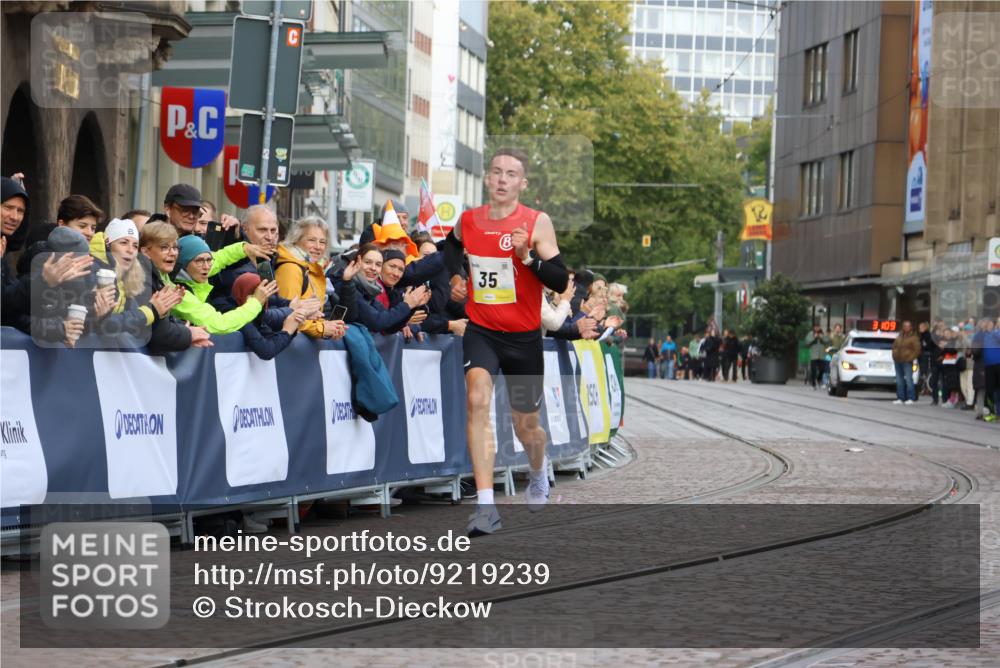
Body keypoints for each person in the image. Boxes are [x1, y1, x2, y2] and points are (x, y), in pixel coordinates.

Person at [441, 148, 570, 536]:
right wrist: (456, 277)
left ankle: (538, 470)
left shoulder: (536, 221)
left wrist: (527, 257)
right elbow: (450, 247)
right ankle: (486, 507)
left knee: (525, 427)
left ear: (522, 183)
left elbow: (560, 279)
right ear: (487, 178)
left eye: (511, 174)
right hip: (482, 330)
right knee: (477, 399)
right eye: (496, 172)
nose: (501, 179)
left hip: (524, 339)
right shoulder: (469, 220)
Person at [171, 234, 274, 334]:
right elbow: (219, 324)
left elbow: (221, 257)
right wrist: (256, 301)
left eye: (209, 259)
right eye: (199, 261)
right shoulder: (179, 293)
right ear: (183, 265)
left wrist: (245, 248)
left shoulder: (196, 270)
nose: (206, 267)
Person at [138, 223, 211, 350]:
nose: (173, 253)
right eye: (164, 247)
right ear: (145, 252)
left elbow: (161, 323)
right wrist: (187, 334)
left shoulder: (157, 277)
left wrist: (182, 328)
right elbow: (155, 334)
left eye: (175, 247)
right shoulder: (140, 279)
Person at [274, 216, 347, 340]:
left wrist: (329, 327)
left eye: (322, 242)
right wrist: (322, 328)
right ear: (296, 240)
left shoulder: (312, 268)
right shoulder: (291, 268)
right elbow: (287, 317)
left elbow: (311, 318)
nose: (318, 246)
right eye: (312, 240)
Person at [231, 273, 311, 359]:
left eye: (264, 295)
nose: (260, 300)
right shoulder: (240, 317)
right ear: (241, 295)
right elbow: (266, 351)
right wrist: (287, 331)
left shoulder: (258, 315)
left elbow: (271, 338)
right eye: (254, 296)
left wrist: (292, 323)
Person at [890, 320, 921, 405]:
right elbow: (894, 346)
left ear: (910, 327)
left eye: (908, 326)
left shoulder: (914, 337)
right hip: (898, 360)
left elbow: (917, 350)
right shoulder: (899, 336)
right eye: (904, 326)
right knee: (899, 380)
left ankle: (911, 398)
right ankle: (900, 398)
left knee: (909, 380)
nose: (906, 327)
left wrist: (910, 358)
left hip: (907, 361)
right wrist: (894, 355)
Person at [803, 324, 830, 389]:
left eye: (818, 327)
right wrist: (814, 337)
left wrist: (822, 337)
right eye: (816, 327)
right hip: (813, 355)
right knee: (813, 370)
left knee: (822, 369)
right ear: (814, 327)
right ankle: (813, 384)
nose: (817, 328)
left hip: (822, 355)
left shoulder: (823, 334)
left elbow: (827, 341)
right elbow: (806, 342)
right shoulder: (810, 334)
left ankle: (818, 379)